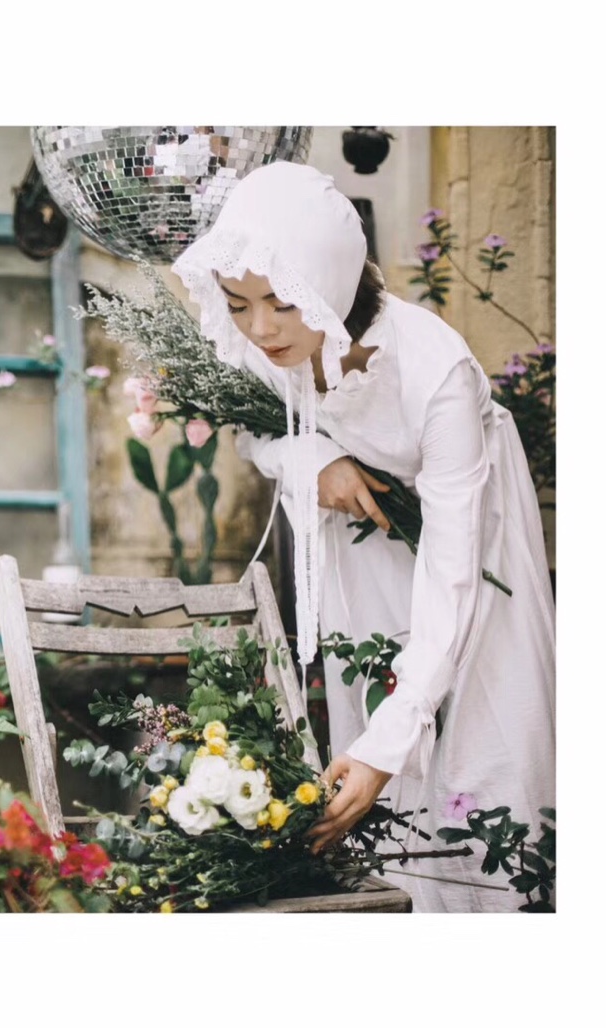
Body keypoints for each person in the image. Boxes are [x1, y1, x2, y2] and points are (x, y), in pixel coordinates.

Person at [171, 161, 555, 912]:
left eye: (283, 302)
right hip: (362, 556)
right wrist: (310, 458)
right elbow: (254, 430)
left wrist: (390, 746)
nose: (260, 328)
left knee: (481, 737)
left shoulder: (436, 372)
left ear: (328, 285)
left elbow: (452, 569)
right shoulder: (260, 347)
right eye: (239, 304)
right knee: (369, 703)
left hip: (471, 559)